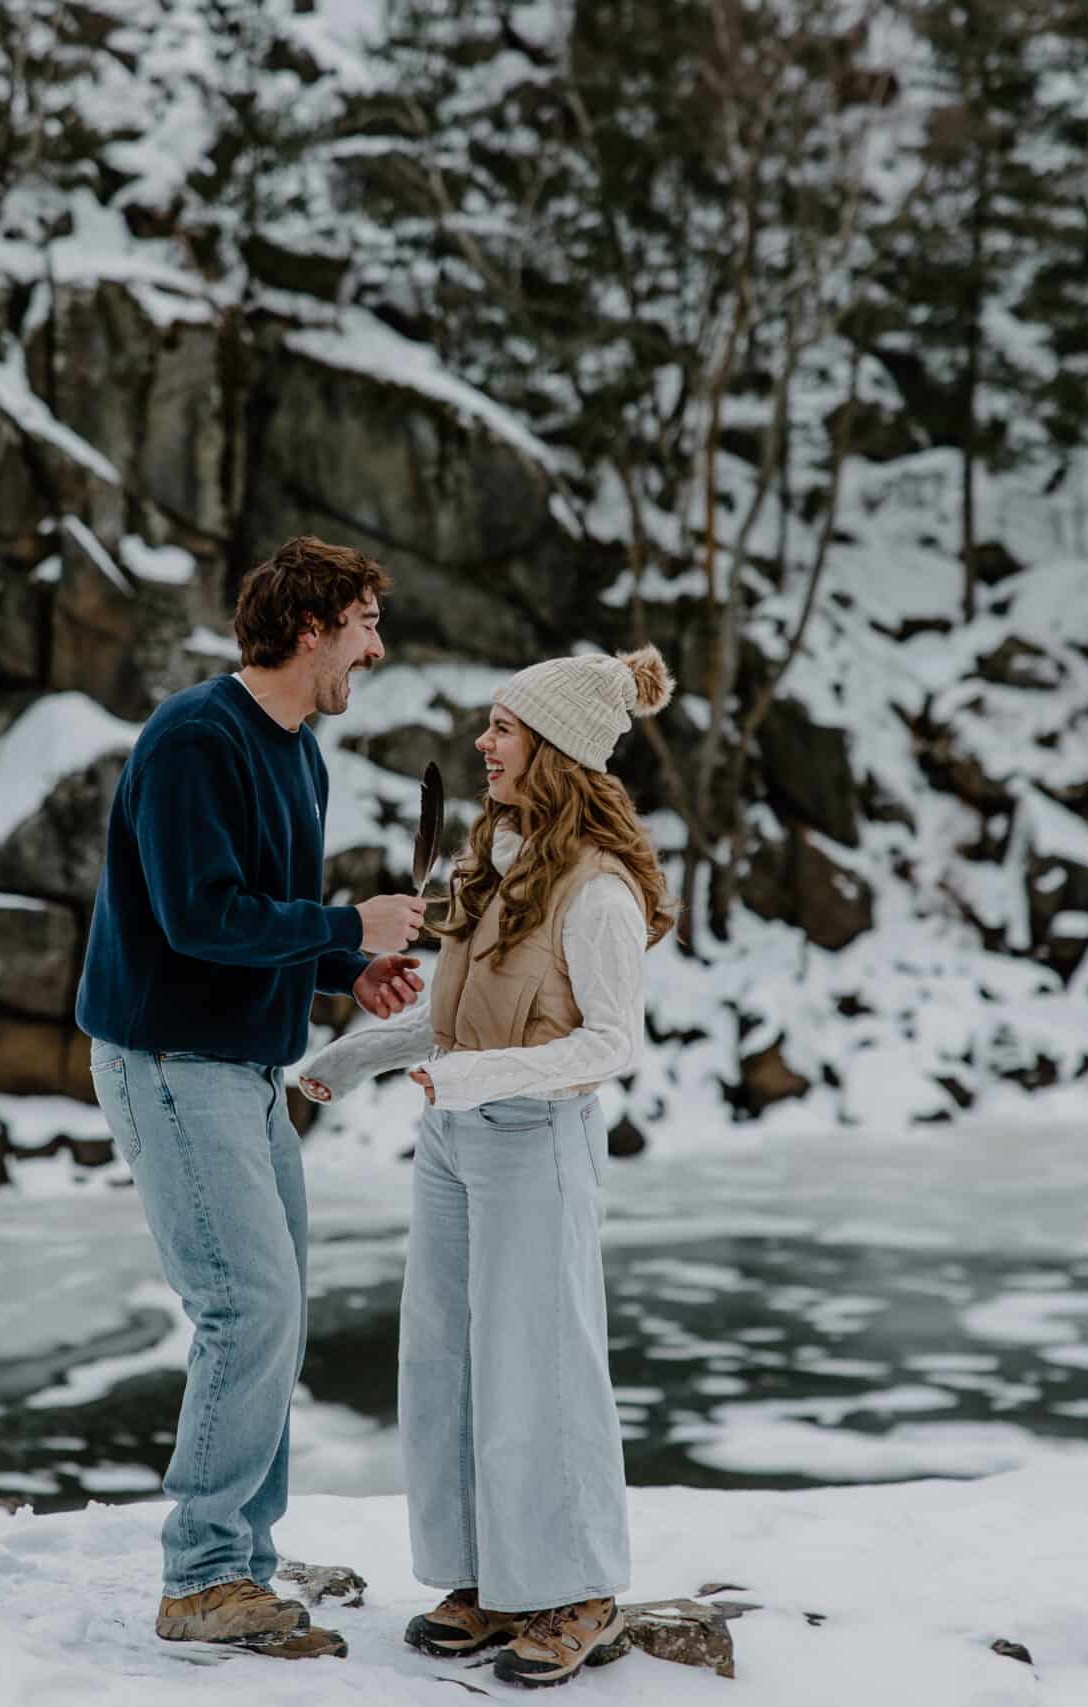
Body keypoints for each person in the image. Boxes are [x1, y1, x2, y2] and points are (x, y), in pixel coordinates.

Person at [77, 535, 431, 1662]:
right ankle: (203, 1574)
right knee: (249, 1307)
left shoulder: (299, 752)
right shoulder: (196, 737)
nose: (375, 650)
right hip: (173, 1065)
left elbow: (254, 923)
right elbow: (196, 919)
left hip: (241, 1068)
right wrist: (342, 926)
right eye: (365, 625)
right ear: (313, 626)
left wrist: (344, 968)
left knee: (273, 1309)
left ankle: (244, 1557)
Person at [296, 644, 677, 1689]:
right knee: (448, 1364)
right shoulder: (494, 857)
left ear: (551, 749)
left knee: (541, 1371)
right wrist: (346, 1060)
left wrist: (478, 1078)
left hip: (532, 1144)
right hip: (453, 1147)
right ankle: (486, 1579)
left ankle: (581, 1589)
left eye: (502, 729)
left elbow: (610, 1044)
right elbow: (448, 1014)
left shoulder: (595, 892)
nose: (482, 743)